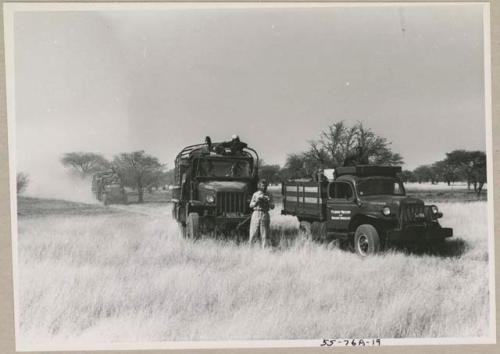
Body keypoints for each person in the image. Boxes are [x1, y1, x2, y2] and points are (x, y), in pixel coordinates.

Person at [249, 179, 274, 248]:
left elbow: (273, 206)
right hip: (256, 213)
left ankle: (264, 250)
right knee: (253, 233)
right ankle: (251, 249)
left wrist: (268, 201)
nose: (264, 187)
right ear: (259, 186)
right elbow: (250, 205)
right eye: (263, 185)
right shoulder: (255, 194)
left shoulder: (269, 194)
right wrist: (256, 201)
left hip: (265, 214)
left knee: (265, 234)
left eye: (265, 186)